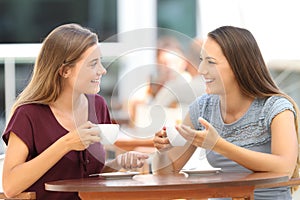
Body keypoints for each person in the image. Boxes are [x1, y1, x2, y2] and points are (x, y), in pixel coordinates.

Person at [1, 23, 149, 200]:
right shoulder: (28, 115)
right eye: (93, 64)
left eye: (100, 62)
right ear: (65, 71)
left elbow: (87, 175)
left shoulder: (98, 106)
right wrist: (67, 143)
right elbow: (10, 186)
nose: (102, 70)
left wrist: (117, 164)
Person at [152, 26, 299, 200]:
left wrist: (218, 145)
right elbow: (165, 174)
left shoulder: (276, 108)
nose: (201, 69)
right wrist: (162, 152)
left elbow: (284, 168)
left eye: (211, 62)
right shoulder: (203, 108)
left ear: (239, 66)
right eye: (201, 60)